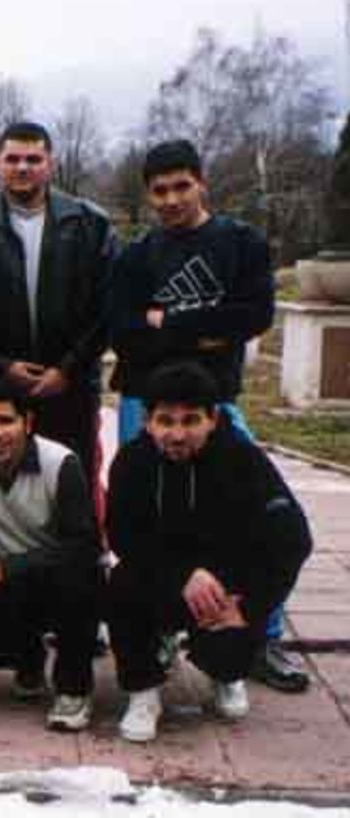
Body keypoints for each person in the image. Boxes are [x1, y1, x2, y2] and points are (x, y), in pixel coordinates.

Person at [109, 139, 305, 692]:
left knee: (256, 517)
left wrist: (164, 323)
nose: (171, 199)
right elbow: (123, 331)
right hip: (143, 403)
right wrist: (205, 328)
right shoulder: (137, 256)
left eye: (181, 186)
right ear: (149, 195)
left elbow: (254, 315)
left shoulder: (239, 243)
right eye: (160, 190)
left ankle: (256, 632)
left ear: (202, 183)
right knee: (148, 516)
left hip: (216, 403)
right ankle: (159, 627)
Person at [106, 361, 311, 742]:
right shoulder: (132, 462)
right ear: (148, 421)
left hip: (225, 586)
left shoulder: (244, 460)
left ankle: (227, 674)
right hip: (164, 579)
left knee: (237, 627)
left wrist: (247, 607)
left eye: (191, 421)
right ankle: (143, 689)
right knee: (122, 583)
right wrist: (183, 575)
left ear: (213, 418)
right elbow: (123, 536)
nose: (178, 434)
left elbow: (292, 538)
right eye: (166, 421)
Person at [0, 122, 116, 502]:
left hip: (71, 386)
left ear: (51, 163)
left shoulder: (89, 224)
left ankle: (85, 561)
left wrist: (67, 368)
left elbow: (107, 304)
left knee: (74, 484)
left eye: (33, 159)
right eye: (13, 159)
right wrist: (2, 366)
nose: (23, 167)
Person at [0, 381, 102, 732]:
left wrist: (9, 566)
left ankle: (74, 688)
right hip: (10, 586)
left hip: (62, 577)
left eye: (7, 421)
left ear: (28, 422)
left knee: (78, 583)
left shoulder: (60, 463)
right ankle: (29, 658)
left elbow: (83, 546)